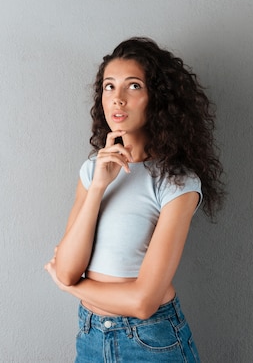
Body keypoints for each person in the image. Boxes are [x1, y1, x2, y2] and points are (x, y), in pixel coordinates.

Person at [44, 37, 225, 362]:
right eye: (109, 87)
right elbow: (69, 268)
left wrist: (71, 289)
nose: (118, 99)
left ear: (157, 98)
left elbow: (144, 302)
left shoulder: (177, 183)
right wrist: (99, 186)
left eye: (134, 86)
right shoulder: (92, 170)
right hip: (90, 336)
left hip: (150, 341)